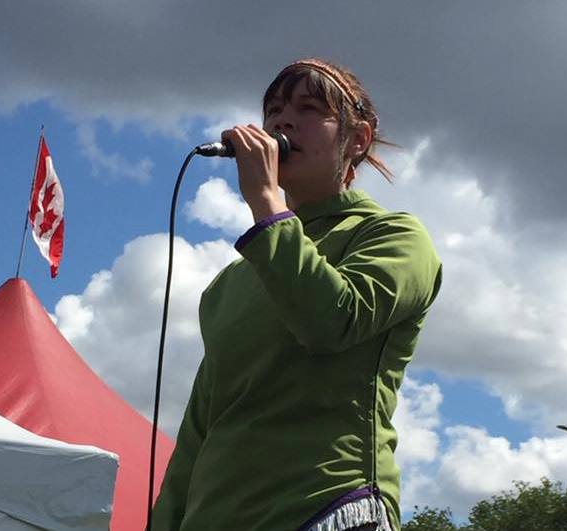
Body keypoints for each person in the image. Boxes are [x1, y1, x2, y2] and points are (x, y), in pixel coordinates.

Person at [151, 58, 443, 531]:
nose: (283, 121)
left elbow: (332, 321)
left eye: (310, 108)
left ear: (358, 140)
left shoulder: (393, 236)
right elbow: (200, 429)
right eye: (274, 110)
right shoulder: (230, 283)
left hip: (325, 510)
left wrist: (266, 205)